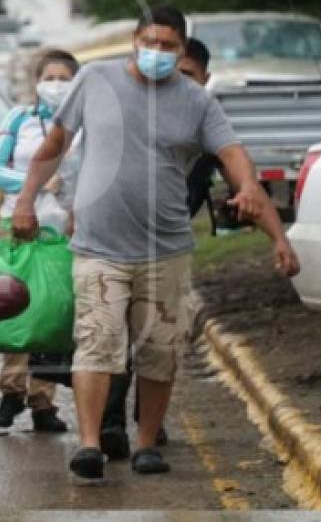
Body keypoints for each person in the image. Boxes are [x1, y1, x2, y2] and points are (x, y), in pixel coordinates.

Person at [11, 4, 300, 481]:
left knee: (160, 350)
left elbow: (232, 152)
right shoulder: (96, 81)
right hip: (99, 245)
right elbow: (55, 144)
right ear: (134, 39)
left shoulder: (196, 101)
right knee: (96, 345)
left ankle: (147, 443)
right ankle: (88, 445)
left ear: (182, 49)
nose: (158, 53)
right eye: (151, 43)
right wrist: (25, 200)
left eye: (169, 46)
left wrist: (247, 186)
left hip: (165, 249)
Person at [97, 37, 299, 460]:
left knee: (158, 341)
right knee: (112, 336)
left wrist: (280, 240)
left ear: (204, 79)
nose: (176, 83)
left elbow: (246, 182)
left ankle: (147, 426)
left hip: (167, 250)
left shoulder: (205, 122)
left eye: (187, 75)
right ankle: (109, 423)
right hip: (113, 244)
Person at [0, 49, 80, 433]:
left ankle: (43, 401)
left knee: (53, 313)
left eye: (64, 77)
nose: (56, 84)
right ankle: (11, 392)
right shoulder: (17, 119)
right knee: (17, 310)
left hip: (63, 232)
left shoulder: (84, 123)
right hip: (17, 227)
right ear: (37, 81)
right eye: (49, 76)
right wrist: (33, 184)